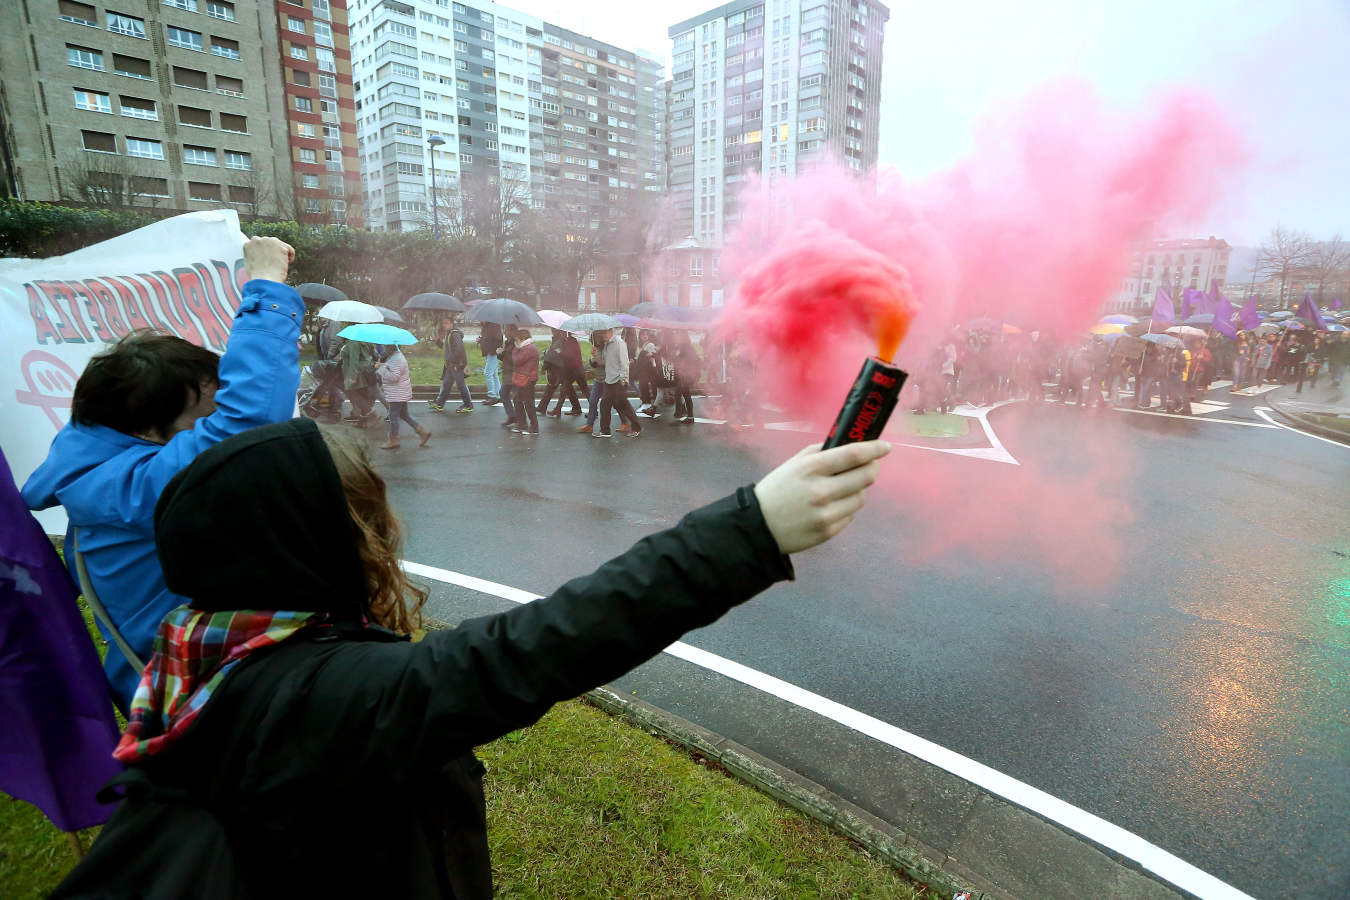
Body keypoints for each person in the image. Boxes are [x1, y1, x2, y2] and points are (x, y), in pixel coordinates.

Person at [50, 419, 890, 898]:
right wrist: (749, 532)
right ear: (305, 538)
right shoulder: (324, 696)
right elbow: (525, 653)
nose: (385, 527)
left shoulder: (203, 655)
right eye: (361, 510)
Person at [20, 237, 300, 713]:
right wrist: (266, 286)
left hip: (183, 686)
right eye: (201, 421)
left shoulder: (98, 465)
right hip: (202, 703)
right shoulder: (128, 487)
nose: (210, 433)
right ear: (146, 427)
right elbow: (248, 422)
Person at [376, 345, 431, 449]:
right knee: (404, 414)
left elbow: (394, 377)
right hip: (399, 391)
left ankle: (394, 439)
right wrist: (384, 366)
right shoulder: (395, 356)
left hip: (397, 393)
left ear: (390, 347)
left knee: (393, 416)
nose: (383, 348)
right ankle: (422, 431)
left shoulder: (397, 359)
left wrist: (381, 368)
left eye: (385, 346)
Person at [595, 328, 641, 438]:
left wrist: (623, 379)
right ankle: (605, 431)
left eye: (605, 331)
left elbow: (624, 362)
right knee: (604, 405)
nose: (603, 334)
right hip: (609, 380)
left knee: (623, 405)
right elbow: (606, 362)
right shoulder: (606, 344)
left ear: (611, 331)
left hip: (618, 380)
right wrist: (595, 356)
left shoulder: (619, 343)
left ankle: (637, 427)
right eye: (602, 332)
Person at [429, 318, 473, 414]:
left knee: (461, 385)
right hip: (451, 365)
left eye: (446, 323)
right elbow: (446, 348)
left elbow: (458, 350)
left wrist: (454, 362)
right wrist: (437, 341)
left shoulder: (454, 334)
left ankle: (468, 405)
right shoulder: (449, 334)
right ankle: (440, 404)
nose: (444, 325)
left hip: (456, 365)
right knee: (447, 384)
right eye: (443, 323)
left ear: (452, 324)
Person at [510, 327, 540, 435]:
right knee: (517, 401)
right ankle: (522, 423)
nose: (515, 341)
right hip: (522, 378)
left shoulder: (529, 348)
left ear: (522, 338)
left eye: (517, 339)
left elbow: (516, 360)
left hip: (527, 379)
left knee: (528, 403)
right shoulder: (525, 347)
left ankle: (534, 426)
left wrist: (515, 349)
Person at [578, 332, 607, 433]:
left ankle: (624, 421)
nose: (593, 341)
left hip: (606, 379)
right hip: (598, 379)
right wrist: (592, 358)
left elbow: (606, 363)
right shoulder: (596, 348)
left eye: (594, 339)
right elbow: (595, 365)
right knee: (592, 401)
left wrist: (596, 358)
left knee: (614, 404)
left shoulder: (606, 348)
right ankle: (589, 425)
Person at [670, 331, 701, 425]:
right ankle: (685, 413)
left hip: (685, 375)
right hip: (686, 375)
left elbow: (682, 361)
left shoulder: (684, 348)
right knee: (683, 394)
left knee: (686, 395)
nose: (676, 337)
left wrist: (675, 356)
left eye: (678, 336)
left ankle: (689, 416)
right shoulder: (687, 347)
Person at [497, 325, 517, 430]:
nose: (504, 332)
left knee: (516, 397)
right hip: (507, 373)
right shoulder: (508, 342)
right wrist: (499, 354)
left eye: (506, 329)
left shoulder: (515, 342)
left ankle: (517, 418)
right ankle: (512, 416)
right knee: (503, 393)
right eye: (504, 329)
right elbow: (505, 358)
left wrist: (503, 352)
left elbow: (514, 358)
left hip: (513, 373)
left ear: (511, 331)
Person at [478, 321, 503, 405]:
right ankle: (499, 395)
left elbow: (497, 340)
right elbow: (489, 339)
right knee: (494, 374)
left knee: (488, 373)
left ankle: (492, 396)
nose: (479, 319)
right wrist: (481, 340)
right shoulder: (488, 326)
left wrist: (483, 340)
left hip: (493, 352)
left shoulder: (494, 325)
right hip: (491, 352)